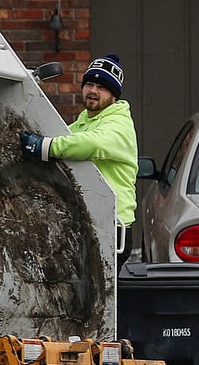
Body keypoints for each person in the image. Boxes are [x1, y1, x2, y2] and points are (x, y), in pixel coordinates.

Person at [21, 53, 138, 259]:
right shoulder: (85, 121)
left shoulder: (119, 124)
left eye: (102, 87)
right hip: (89, 221)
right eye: (90, 84)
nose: (93, 91)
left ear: (114, 96)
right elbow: (65, 139)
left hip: (112, 227)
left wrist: (45, 146)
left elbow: (92, 143)